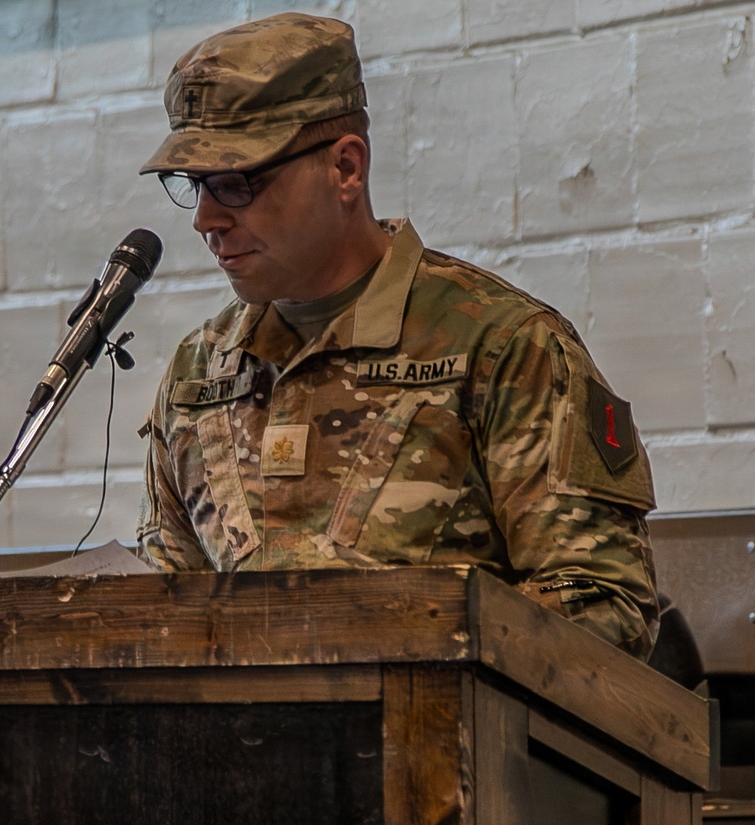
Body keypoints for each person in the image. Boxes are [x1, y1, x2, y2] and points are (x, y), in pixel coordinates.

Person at [136, 11, 659, 659]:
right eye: (194, 186)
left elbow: (606, 605)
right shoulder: (198, 375)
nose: (207, 219)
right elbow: (160, 611)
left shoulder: (504, 347)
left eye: (237, 182)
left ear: (346, 169)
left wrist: (399, 637)